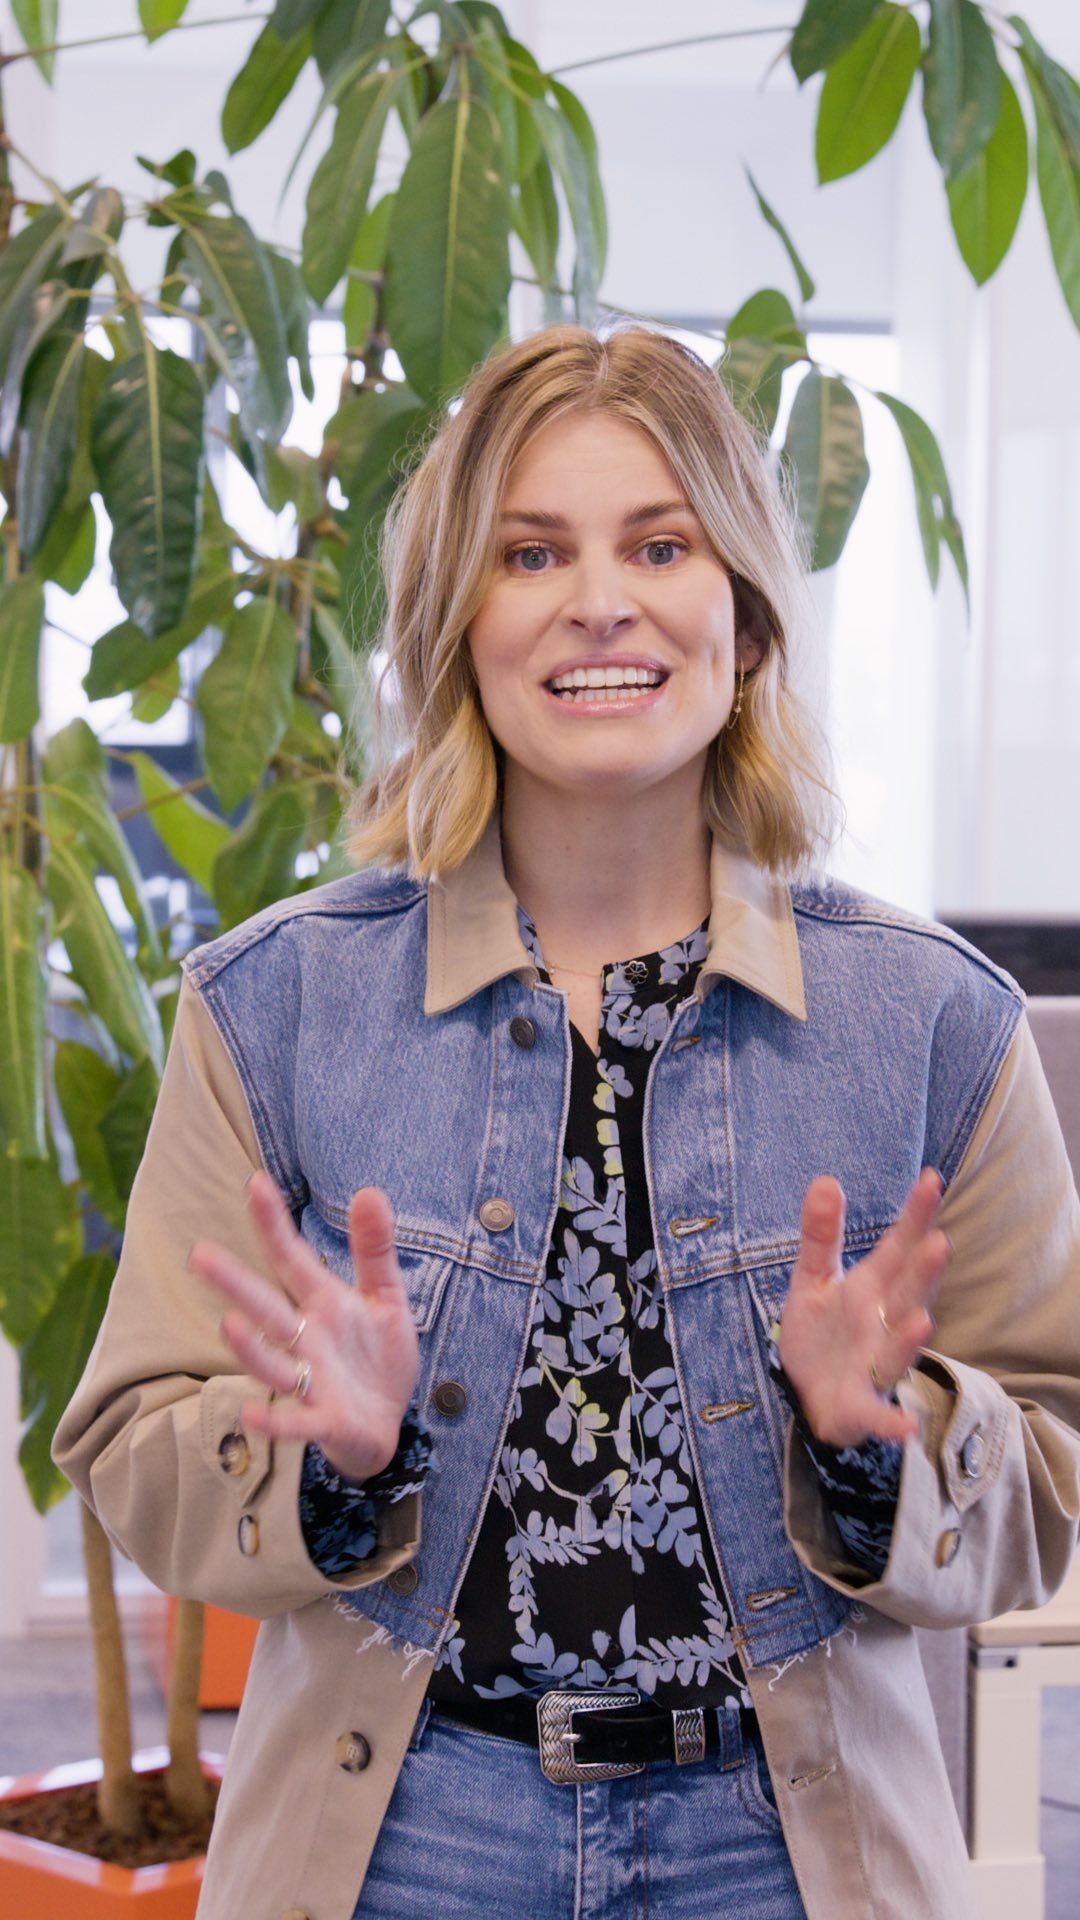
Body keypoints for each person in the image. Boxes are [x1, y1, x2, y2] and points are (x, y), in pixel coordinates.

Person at [55, 325, 1080, 1920]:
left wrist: (893, 1443)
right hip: (409, 1839)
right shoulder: (273, 1006)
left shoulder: (940, 1023)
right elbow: (130, 1451)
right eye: (533, 552)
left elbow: (1055, 1476)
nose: (600, 598)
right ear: (459, 627)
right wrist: (325, 1460)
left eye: (659, 543)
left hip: (788, 1841)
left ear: (743, 622)